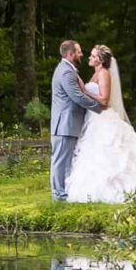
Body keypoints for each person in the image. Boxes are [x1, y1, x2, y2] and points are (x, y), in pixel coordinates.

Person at [64, 45, 136, 203]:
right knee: (93, 153)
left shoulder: (104, 74)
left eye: (93, 56)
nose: (89, 57)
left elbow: (104, 99)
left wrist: (84, 91)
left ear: (100, 60)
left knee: (110, 151)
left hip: (103, 119)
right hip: (93, 119)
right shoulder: (95, 74)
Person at [49, 40, 102, 202]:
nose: (81, 54)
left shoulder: (68, 69)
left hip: (68, 124)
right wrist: (99, 108)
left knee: (65, 161)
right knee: (60, 161)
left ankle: (63, 192)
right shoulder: (66, 72)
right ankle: (58, 195)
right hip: (65, 124)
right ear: (70, 54)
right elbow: (77, 96)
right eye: (78, 52)